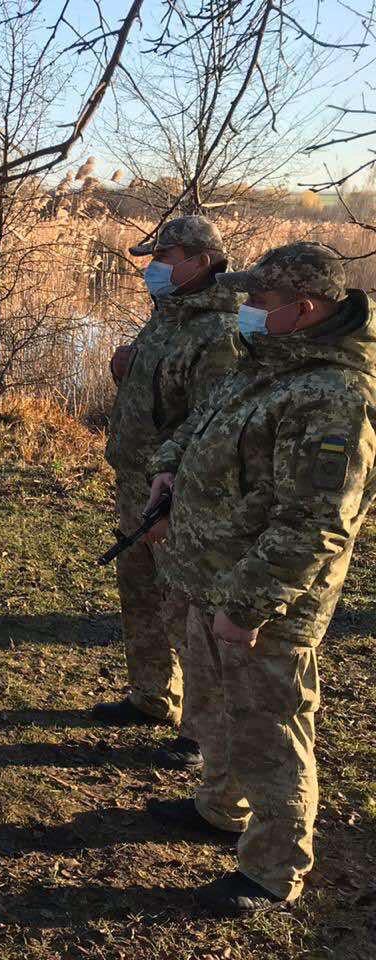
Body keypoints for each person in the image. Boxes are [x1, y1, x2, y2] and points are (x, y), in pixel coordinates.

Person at [142, 242, 376, 914]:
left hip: (264, 603)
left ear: (304, 308)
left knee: (269, 731)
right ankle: (220, 806)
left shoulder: (336, 397)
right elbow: (202, 426)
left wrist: (246, 606)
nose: (245, 308)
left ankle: (274, 870)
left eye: (260, 300)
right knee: (216, 710)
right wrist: (169, 468)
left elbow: (315, 525)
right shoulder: (268, 361)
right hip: (210, 576)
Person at [95, 216, 242, 770]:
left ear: (201, 262)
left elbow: (212, 423)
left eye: (165, 257)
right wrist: (125, 370)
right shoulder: (168, 316)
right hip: (134, 480)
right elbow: (160, 392)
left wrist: (176, 490)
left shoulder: (219, 334)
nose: (154, 268)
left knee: (184, 608)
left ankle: (200, 732)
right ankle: (151, 695)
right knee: (140, 593)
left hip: (176, 492)